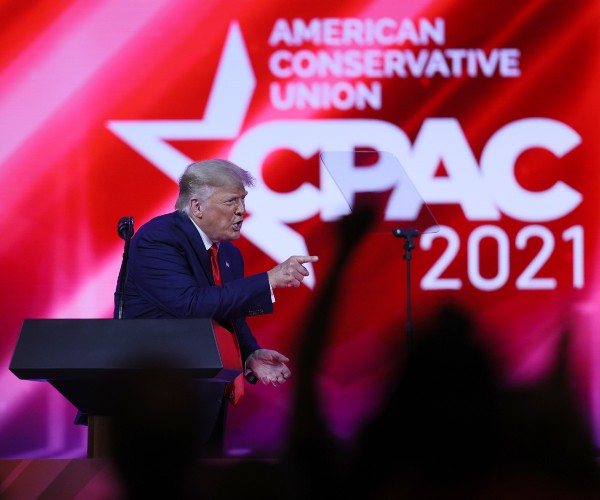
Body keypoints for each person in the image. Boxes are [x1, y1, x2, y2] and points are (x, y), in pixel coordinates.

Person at [113, 158, 318, 456]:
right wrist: (267, 281)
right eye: (231, 201)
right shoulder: (157, 239)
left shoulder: (229, 254)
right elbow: (189, 304)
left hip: (208, 395)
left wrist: (249, 354)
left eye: (243, 200)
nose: (241, 211)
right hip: (157, 400)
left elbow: (227, 313)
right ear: (196, 206)